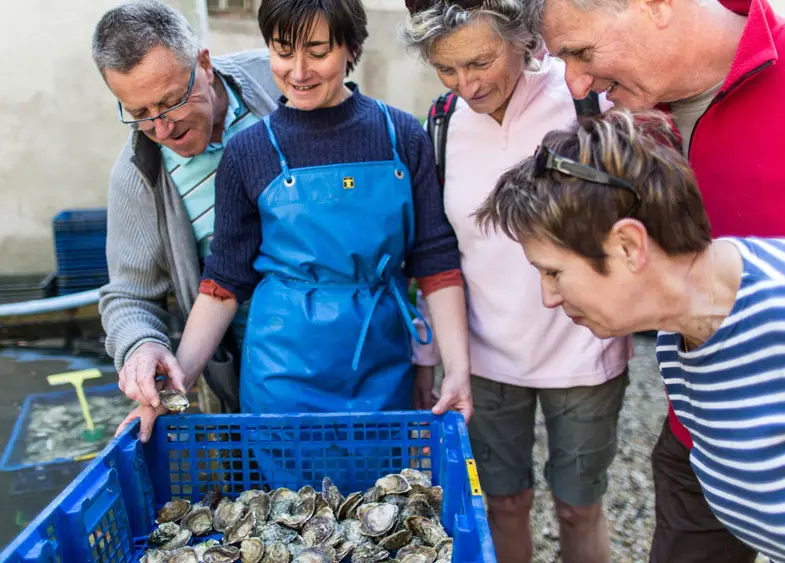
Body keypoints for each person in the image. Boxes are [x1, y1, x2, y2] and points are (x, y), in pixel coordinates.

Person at [523, 0, 785, 560]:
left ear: (655, 6)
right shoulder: (626, 121)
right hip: (697, 429)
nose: (577, 83)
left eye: (581, 53)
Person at [117, 0, 474, 452]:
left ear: (350, 47)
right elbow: (223, 282)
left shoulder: (402, 136)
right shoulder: (248, 152)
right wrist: (175, 382)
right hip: (281, 374)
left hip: (382, 359)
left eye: (318, 51)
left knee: (384, 499)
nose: (299, 71)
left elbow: (436, 262)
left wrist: (458, 371)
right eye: (283, 52)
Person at [398, 1, 631, 561]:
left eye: (479, 62)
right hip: (486, 356)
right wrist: (430, 356)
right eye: (446, 68)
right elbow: (439, 252)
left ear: (523, 37)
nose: (467, 85)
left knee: (579, 507)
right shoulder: (443, 121)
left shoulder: (585, 97)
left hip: (584, 348)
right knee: (502, 504)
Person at [91, 0, 282, 441]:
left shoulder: (280, 82)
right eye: (138, 113)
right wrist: (142, 345)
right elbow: (128, 296)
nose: (161, 129)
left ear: (205, 64)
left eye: (170, 101)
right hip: (240, 380)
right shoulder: (138, 175)